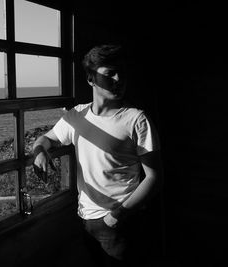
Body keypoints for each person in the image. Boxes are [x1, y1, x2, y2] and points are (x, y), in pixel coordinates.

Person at [32, 44, 163, 266]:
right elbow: (46, 138)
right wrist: (40, 152)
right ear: (91, 78)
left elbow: (154, 177)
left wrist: (117, 216)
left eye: (122, 72)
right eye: (110, 73)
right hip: (85, 217)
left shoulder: (136, 119)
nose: (119, 79)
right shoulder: (77, 116)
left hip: (120, 221)